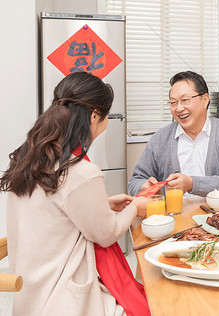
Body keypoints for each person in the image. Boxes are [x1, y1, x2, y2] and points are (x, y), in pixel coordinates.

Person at [0, 72, 151, 315]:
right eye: (107, 115)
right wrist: (137, 206)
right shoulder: (78, 170)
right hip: (63, 300)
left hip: (29, 297)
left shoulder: (30, 159)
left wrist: (105, 204)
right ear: (94, 115)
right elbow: (107, 234)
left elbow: (56, 209)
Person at [128, 71, 219, 197]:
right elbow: (135, 181)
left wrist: (192, 184)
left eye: (185, 100)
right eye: (173, 102)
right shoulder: (160, 139)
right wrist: (144, 187)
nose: (178, 108)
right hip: (174, 215)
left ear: (205, 99)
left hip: (214, 214)